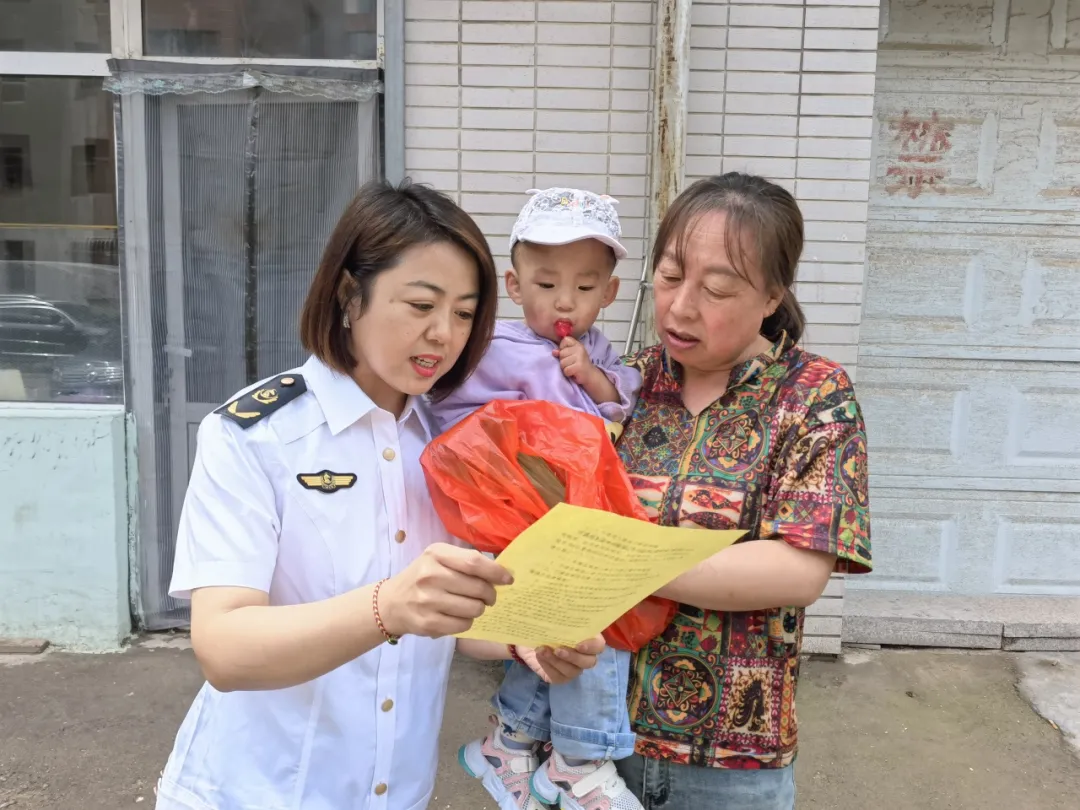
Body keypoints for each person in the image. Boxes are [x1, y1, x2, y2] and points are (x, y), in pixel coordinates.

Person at [153, 180, 604, 810]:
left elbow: (451, 617)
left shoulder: (456, 444)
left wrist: (524, 640)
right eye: (421, 305)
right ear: (349, 294)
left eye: (465, 313)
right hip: (253, 792)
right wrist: (387, 607)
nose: (444, 334)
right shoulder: (257, 435)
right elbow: (224, 650)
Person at [614, 173, 873, 810]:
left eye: (718, 289)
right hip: (592, 737)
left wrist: (622, 560)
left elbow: (797, 569)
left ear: (771, 296)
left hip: (732, 761)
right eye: (670, 276)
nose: (680, 307)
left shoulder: (814, 395)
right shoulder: (625, 384)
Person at [429, 187, 645, 810]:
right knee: (585, 614)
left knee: (555, 628)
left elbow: (620, 401)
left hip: (574, 504)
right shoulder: (493, 348)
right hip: (517, 508)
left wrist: (590, 375)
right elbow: (452, 417)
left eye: (584, 286)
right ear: (515, 286)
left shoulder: (596, 348)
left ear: (609, 292)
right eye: (547, 284)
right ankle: (580, 757)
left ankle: (513, 737)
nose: (565, 301)